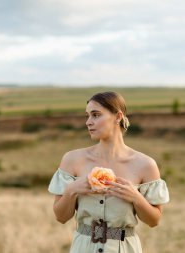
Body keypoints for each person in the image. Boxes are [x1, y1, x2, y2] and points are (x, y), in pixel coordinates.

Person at [48, 91, 169, 253]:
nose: (88, 122)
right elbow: (60, 217)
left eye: (96, 115)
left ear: (118, 116)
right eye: (87, 116)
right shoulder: (72, 160)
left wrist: (136, 197)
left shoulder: (145, 164)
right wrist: (71, 190)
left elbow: (154, 221)